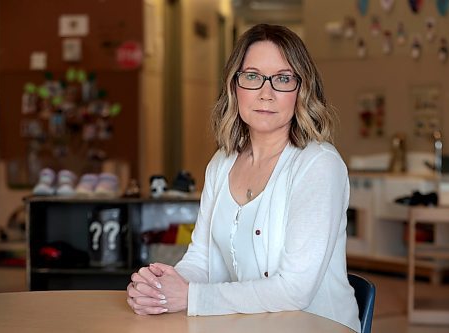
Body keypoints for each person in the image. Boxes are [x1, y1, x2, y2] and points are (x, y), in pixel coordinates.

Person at [126, 23, 361, 333]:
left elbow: (295, 289)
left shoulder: (318, 165)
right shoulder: (221, 163)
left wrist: (190, 297)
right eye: (252, 76)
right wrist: (161, 290)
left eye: (282, 79)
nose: (266, 93)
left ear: (301, 89)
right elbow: (202, 258)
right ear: (234, 87)